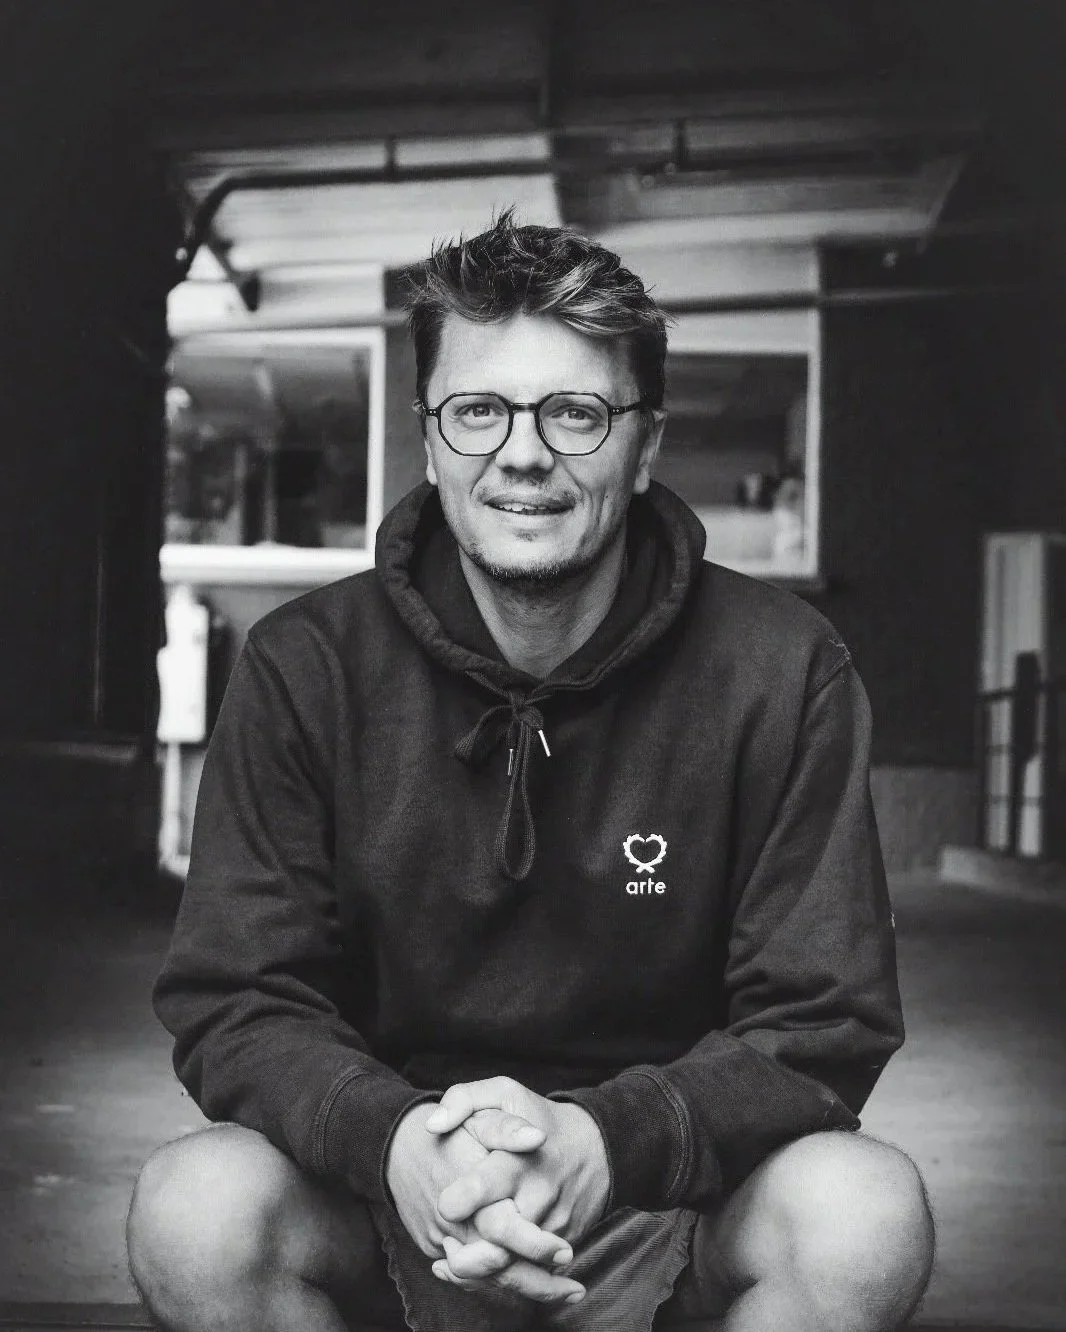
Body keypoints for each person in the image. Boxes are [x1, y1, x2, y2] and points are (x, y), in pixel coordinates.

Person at [127, 213, 935, 1332]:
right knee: (194, 1208)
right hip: (388, 1198)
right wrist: (397, 1140)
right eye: (478, 410)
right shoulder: (305, 667)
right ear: (429, 435)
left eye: (576, 411)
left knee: (864, 1215)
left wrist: (607, 1143)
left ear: (643, 444)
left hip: (668, 1199)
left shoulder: (781, 670)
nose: (521, 452)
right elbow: (235, 994)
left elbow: (823, 1016)